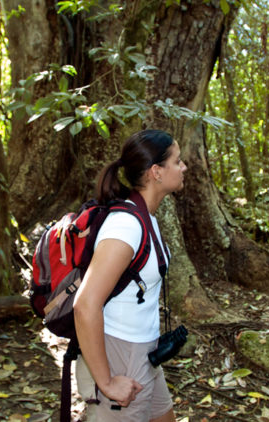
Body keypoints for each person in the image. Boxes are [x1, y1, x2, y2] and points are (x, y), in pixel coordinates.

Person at [73, 129, 187, 422]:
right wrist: (107, 382)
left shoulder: (146, 217)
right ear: (156, 172)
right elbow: (85, 305)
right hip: (120, 353)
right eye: (177, 161)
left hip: (145, 352)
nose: (184, 166)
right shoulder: (126, 226)